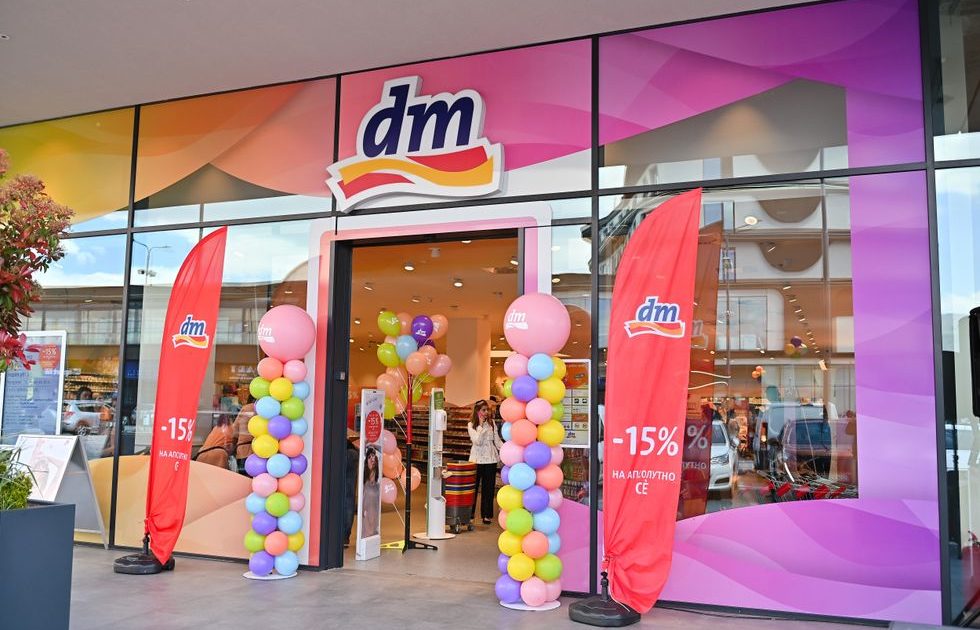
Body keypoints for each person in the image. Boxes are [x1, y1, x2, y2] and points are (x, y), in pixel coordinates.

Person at [467, 399, 502, 525]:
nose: (486, 412)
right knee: (473, 489)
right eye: (484, 410)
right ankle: (469, 515)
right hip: (476, 460)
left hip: (490, 460)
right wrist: (481, 426)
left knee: (489, 489)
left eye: (487, 410)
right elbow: (477, 441)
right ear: (477, 411)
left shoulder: (492, 423)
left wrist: (506, 449)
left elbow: (497, 441)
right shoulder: (471, 425)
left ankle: (486, 515)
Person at [232, 396, 256, 474]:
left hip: (242, 451)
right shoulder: (263, 409)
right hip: (258, 453)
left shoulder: (245, 409)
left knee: (243, 478)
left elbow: (234, 431)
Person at [360, 446, 381, 537]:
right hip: (366, 509)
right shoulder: (364, 480)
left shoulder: (376, 482)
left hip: (373, 509)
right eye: (369, 457)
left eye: (373, 457)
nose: (372, 460)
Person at [343, 432, 358, 547]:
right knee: (349, 497)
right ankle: (345, 536)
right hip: (352, 452)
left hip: (343, 452)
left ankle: (339, 535)